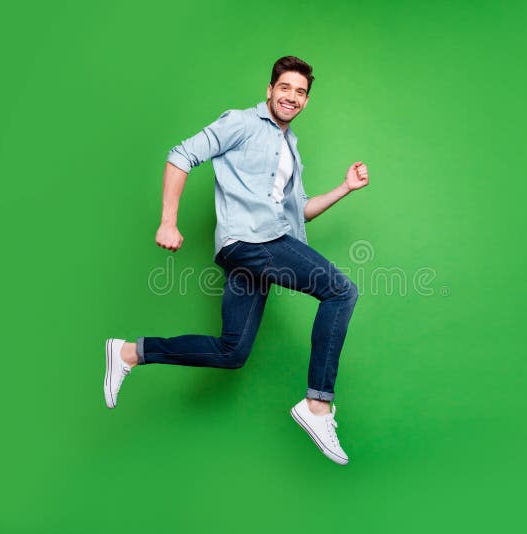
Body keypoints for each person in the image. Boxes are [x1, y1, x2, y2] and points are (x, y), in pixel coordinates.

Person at [104, 56, 369, 465]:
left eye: (300, 92)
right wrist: (168, 222)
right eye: (285, 88)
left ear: (305, 101)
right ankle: (317, 405)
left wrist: (345, 188)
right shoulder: (242, 123)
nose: (292, 97)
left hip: (256, 248)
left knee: (232, 352)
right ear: (270, 90)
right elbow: (181, 154)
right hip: (251, 242)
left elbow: (298, 211)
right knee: (340, 291)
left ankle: (128, 352)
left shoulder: (289, 147)